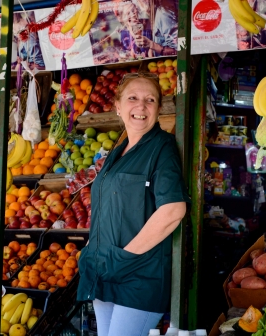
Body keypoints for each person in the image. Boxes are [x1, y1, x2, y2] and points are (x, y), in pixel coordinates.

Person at [77, 73, 190, 336]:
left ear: (159, 109)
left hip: (138, 277)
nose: (141, 106)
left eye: (150, 100)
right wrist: (91, 250)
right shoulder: (119, 150)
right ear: (118, 106)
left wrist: (123, 256)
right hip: (103, 272)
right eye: (133, 98)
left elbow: (173, 210)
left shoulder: (162, 148)